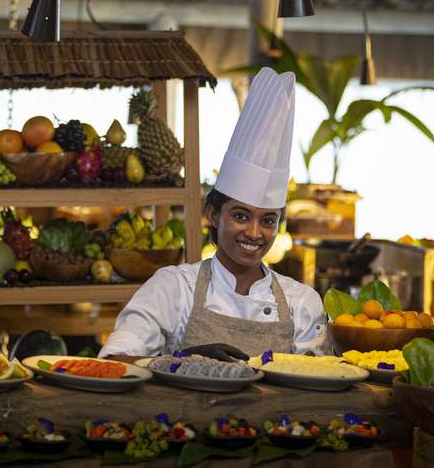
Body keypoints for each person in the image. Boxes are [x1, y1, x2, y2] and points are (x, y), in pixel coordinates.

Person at [98, 68, 327, 360]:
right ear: (213, 214)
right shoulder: (174, 288)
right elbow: (115, 360)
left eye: (268, 220)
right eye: (241, 216)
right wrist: (185, 361)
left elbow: (320, 381)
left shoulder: (302, 303)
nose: (254, 233)